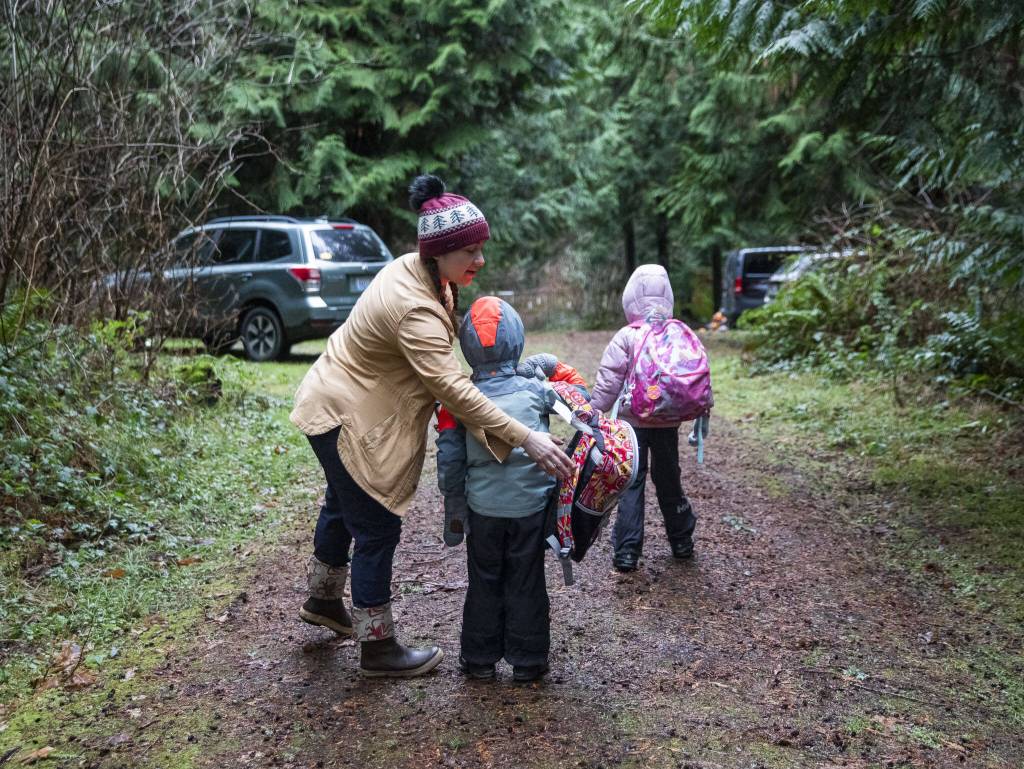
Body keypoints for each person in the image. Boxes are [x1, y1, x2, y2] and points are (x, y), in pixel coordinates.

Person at [290, 175, 573, 678]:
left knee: (342, 498)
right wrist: (526, 435)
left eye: (481, 248)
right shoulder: (413, 308)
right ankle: (378, 648)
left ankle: (324, 600)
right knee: (375, 524)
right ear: (439, 253)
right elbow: (455, 392)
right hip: (343, 411)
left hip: (330, 396)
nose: (479, 261)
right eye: (469, 251)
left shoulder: (420, 272)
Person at [435, 296, 588, 682]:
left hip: (483, 507)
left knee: (484, 578)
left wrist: (456, 506)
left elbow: (450, 461)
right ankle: (529, 659)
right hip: (531, 508)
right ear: (518, 339)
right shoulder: (536, 389)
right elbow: (581, 399)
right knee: (526, 578)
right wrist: (549, 366)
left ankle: (479, 659)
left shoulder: (456, 400)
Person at [589, 264, 698, 573]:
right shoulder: (675, 333)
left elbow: (609, 381)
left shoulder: (627, 336)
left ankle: (627, 550)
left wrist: (594, 411)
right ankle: (681, 541)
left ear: (630, 299)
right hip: (667, 420)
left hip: (632, 423)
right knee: (669, 479)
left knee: (631, 483)